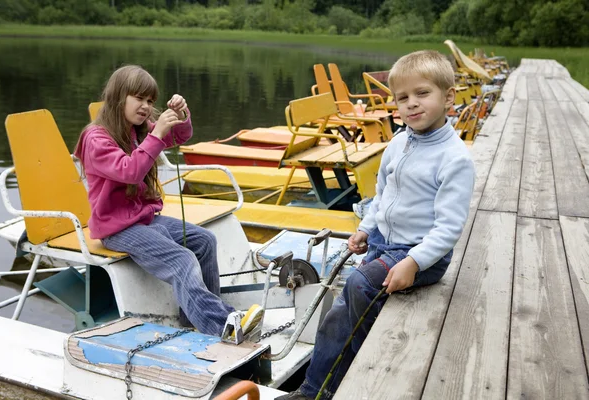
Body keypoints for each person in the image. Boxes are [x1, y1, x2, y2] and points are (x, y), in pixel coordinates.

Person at [277, 50, 475, 400]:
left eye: (422, 94)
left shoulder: (454, 158)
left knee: (360, 284)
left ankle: (327, 391)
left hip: (419, 254)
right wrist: (366, 228)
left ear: (448, 97)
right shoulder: (398, 143)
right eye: (402, 98)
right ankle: (311, 388)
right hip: (385, 241)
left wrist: (412, 263)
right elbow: (381, 198)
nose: (411, 104)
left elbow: (448, 229)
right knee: (337, 314)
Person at [74, 65, 262, 337]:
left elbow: (178, 136)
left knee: (205, 242)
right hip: (117, 228)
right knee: (182, 260)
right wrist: (156, 133)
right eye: (138, 98)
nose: (146, 107)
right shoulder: (96, 138)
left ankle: (194, 317)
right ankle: (223, 326)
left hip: (143, 217)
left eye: (150, 101)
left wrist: (181, 116)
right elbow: (130, 171)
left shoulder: (135, 130)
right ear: (118, 97)